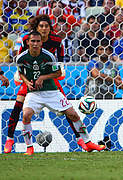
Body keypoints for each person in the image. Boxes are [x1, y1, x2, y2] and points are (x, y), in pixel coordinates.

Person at [3, 15, 86, 153]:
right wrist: (23, 77)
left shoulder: (56, 41)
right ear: (36, 28)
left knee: (67, 109)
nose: (44, 29)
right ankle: (9, 139)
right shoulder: (26, 39)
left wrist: (57, 71)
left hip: (50, 78)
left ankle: (81, 140)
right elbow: (21, 59)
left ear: (50, 28)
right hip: (29, 77)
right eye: (41, 26)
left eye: (46, 26)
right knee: (18, 107)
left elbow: (59, 62)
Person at [16, 31, 105, 155]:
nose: (35, 44)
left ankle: (88, 143)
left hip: (52, 92)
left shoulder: (49, 56)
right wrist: (26, 82)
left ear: (41, 42)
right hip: (34, 94)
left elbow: (58, 73)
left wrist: (43, 77)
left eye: (38, 41)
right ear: (27, 42)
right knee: (26, 115)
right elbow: (21, 72)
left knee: (73, 114)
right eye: (33, 41)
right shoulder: (21, 57)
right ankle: (29, 148)